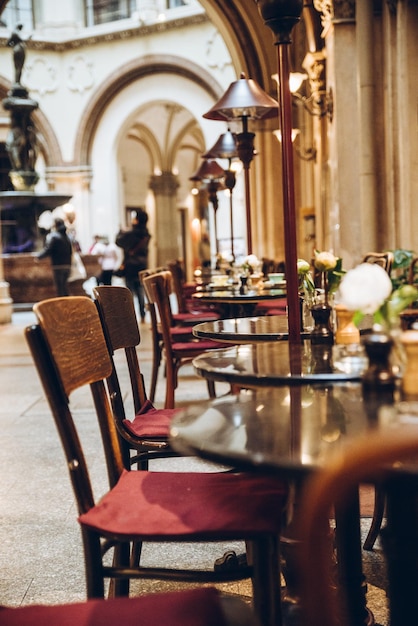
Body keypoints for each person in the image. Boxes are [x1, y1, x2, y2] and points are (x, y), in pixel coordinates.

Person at [116, 210, 151, 321]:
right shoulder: (146, 233)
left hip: (130, 266)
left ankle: (130, 316)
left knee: (129, 292)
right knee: (140, 291)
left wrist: (120, 231)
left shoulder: (131, 233)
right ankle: (142, 315)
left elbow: (118, 241)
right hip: (142, 265)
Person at [37, 217, 72, 296]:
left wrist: (39, 257)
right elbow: (70, 251)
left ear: (55, 225)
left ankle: (62, 306)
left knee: (60, 288)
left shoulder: (53, 236)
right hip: (67, 265)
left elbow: (48, 249)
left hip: (58, 265)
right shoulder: (67, 237)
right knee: (65, 287)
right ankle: (68, 305)